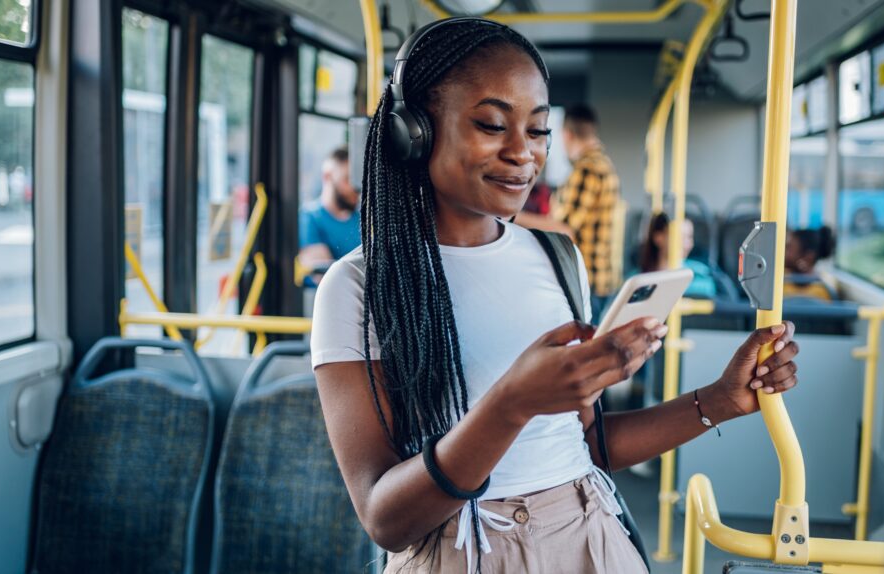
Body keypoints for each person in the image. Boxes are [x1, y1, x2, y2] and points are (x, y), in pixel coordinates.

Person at [311, 18, 801, 574]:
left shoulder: (556, 259)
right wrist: (511, 404)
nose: (524, 153)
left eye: (540, 130)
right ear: (413, 132)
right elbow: (384, 519)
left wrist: (718, 401)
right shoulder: (357, 287)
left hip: (590, 534)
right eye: (493, 124)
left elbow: (586, 446)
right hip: (460, 549)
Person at [554, 104, 620, 321]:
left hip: (587, 279)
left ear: (567, 135)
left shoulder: (587, 169)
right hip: (600, 279)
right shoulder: (605, 165)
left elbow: (563, 229)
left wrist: (517, 218)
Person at [298, 147, 361, 285]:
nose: (355, 188)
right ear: (327, 176)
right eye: (347, 179)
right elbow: (324, 276)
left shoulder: (363, 221)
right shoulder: (309, 217)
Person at [637, 212, 717, 299]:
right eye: (680, 237)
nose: (687, 244)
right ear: (658, 237)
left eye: (689, 237)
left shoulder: (702, 273)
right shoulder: (637, 280)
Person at [784, 226, 837, 301]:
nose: (783, 252)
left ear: (808, 257)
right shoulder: (779, 278)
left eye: (788, 248)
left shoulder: (824, 291)